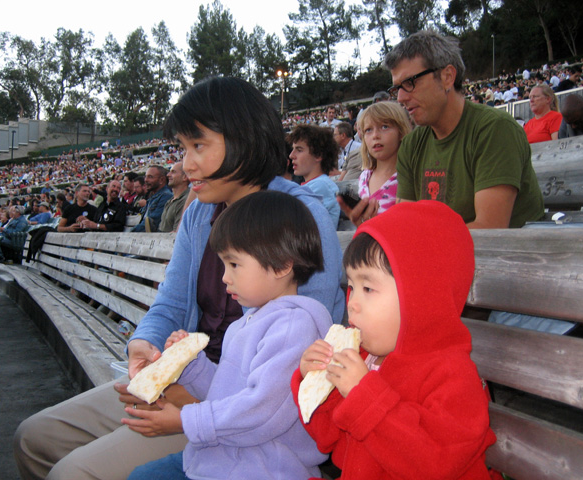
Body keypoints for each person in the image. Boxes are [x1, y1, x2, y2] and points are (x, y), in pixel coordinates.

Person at [13, 76, 345, 480]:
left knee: (73, 473)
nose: (187, 165)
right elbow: (170, 302)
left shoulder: (298, 216)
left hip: (242, 420)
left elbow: (293, 368)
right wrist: (143, 348)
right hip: (188, 377)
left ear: (243, 139)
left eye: (198, 146)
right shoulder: (200, 212)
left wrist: (187, 404)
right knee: (34, 437)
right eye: (183, 149)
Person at [127, 190, 331, 479]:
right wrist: (189, 365)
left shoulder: (292, 326)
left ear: (282, 265)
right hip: (223, 458)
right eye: (223, 264)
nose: (224, 276)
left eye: (234, 264)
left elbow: (261, 410)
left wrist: (186, 421)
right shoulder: (247, 323)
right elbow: (226, 392)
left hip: (261, 468)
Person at [292, 200, 496, 478]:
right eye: (350, 286)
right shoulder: (366, 359)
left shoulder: (453, 377)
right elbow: (329, 437)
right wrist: (314, 383)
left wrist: (363, 397)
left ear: (421, 297)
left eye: (367, 288)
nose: (352, 303)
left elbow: (434, 464)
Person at [382, 30, 544, 229]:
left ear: (447, 77)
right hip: (444, 255)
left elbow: (488, 229)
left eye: (409, 83)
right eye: (396, 88)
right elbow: (407, 224)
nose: (400, 98)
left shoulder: (493, 129)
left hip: (513, 256)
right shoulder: (411, 144)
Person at [339, 101, 412, 227]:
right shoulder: (364, 176)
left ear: (401, 131)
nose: (375, 136)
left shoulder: (408, 178)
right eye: (368, 130)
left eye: (384, 127)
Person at [288, 124, 341, 228]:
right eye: (293, 149)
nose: (291, 155)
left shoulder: (321, 186)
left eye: (299, 150)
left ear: (318, 155)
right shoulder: (317, 184)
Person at [131, 166, 173, 232]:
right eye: (145, 176)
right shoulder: (153, 197)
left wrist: (130, 233)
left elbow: (151, 224)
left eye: (150, 177)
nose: (145, 180)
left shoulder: (166, 196)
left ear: (161, 180)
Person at [158, 162, 190, 233]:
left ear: (185, 177)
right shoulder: (170, 200)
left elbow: (177, 233)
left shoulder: (186, 200)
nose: (168, 175)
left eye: (173, 172)